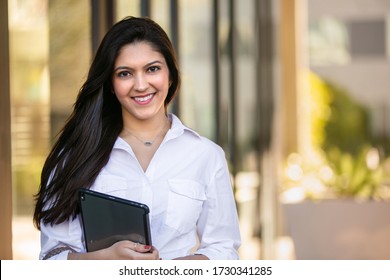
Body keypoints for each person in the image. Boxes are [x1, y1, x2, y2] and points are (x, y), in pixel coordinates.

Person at [33, 16, 241, 260]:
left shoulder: (207, 155)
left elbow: (223, 251)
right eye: (125, 73)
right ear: (111, 84)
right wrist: (107, 259)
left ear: (170, 75)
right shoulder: (75, 155)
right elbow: (51, 257)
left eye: (152, 69)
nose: (141, 85)